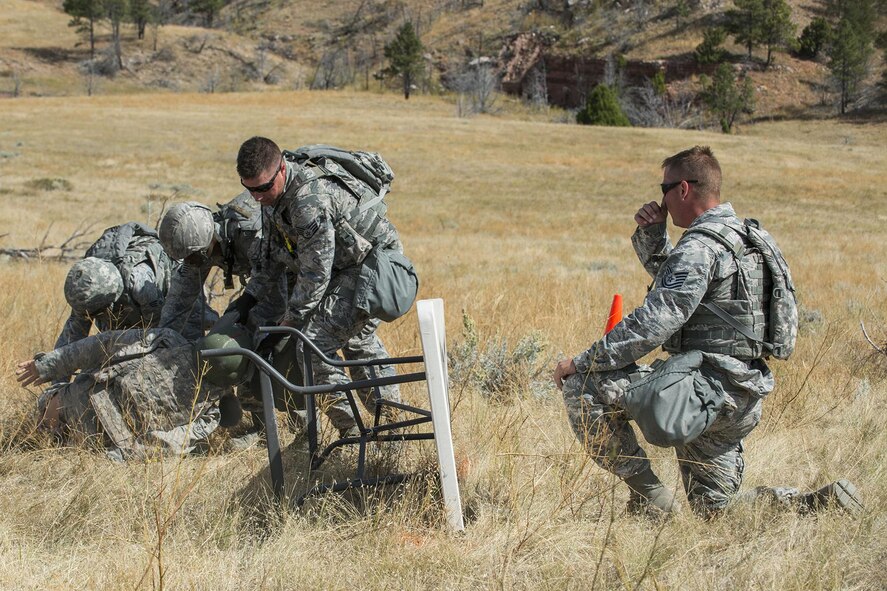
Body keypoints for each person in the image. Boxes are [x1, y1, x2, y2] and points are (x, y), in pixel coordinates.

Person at [553, 146, 861, 518]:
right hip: (742, 395)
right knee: (714, 511)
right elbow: (698, 294)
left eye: (664, 188)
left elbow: (658, 318)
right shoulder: (752, 238)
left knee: (582, 386)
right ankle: (813, 505)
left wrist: (581, 363)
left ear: (683, 189)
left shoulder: (700, 246)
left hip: (698, 392)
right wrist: (653, 236)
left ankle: (649, 496)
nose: (661, 199)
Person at [232, 136, 418, 438]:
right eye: (248, 188)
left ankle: (356, 434)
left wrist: (286, 326)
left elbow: (315, 273)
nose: (256, 198)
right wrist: (249, 297)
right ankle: (389, 430)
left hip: (369, 267)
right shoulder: (271, 198)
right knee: (358, 346)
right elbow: (271, 256)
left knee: (313, 346)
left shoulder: (307, 201)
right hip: (342, 268)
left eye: (263, 188)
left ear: (281, 169)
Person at [14, 324, 252, 460]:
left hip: (77, 400)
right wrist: (118, 456)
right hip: (102, 441)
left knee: (48, 404)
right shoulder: (210, 412)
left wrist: (49, 364)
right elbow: (171, 445)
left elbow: (100, 345)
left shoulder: (167, 340)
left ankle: (41, 435)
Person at [158, 192, 288, 340]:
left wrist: (241, 333)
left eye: (190, 257)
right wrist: (162, 341)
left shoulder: (251, 238)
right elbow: (179, 303)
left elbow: (276, 303)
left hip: (301, 271)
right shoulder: (201, 246)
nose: (190, 263)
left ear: (206, 244)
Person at [56, 222, 176, 349]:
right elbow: (71, 339)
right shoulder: (85, 291)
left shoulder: (140, 284)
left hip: (157, 297)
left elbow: (157, 333)